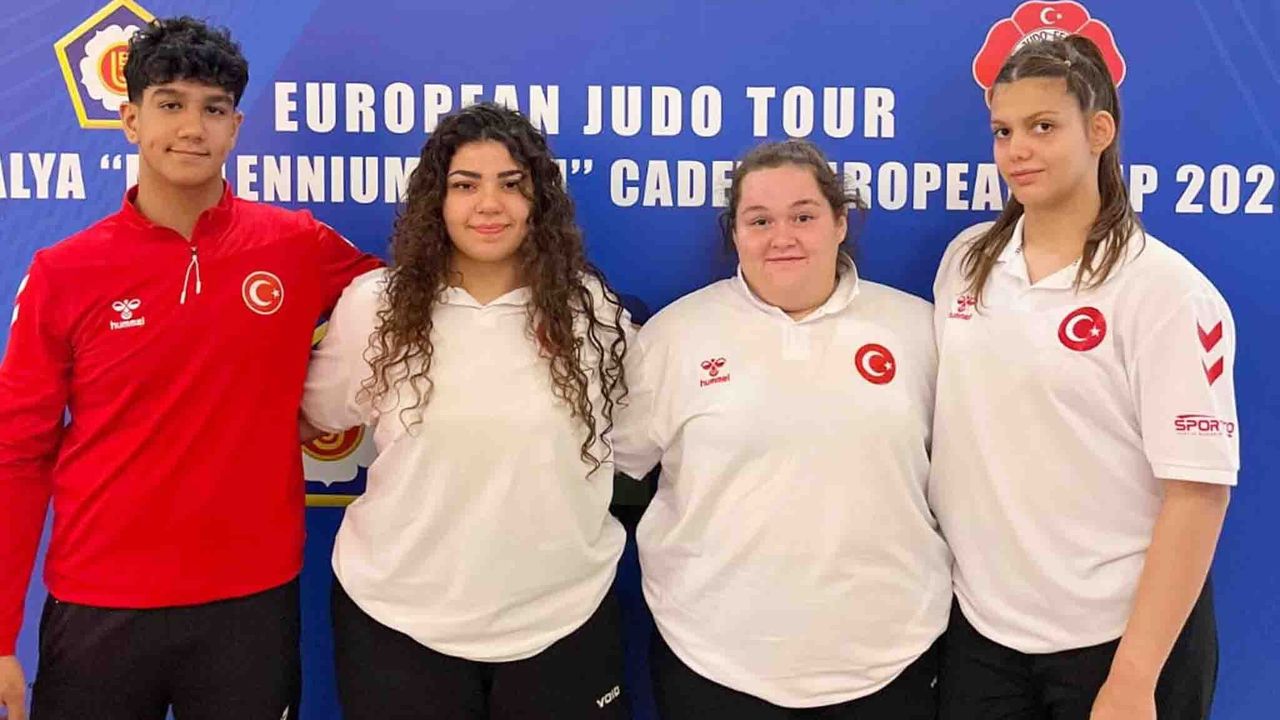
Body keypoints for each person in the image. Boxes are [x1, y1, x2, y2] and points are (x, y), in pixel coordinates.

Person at [0, 17, 381, 720]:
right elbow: (17, 455)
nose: (191, 128)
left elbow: (401, 304)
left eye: (212, 109)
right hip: (99, 605)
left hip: (250, 604)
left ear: (235, 128)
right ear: (130, 120)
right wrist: (0, 637)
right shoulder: (63, 272)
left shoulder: (296, 244)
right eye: (170, 104)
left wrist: (317, 400)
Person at [931, 35, 1236, 720]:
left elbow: (1198, 493)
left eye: (1043, 127)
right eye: (1004, 131)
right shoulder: (967, 261)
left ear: (1100, 131)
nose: (1018, 149)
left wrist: (1133, 678)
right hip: (984, 632)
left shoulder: (1166, 291)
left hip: (1120, 642)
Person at [301, 102, 631, 720]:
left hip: (563, 617)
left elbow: (634, 439)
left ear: (539, 200)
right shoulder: (376, 306)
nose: (489, 204)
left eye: (511, 184)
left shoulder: (592, 311)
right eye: (465, 185)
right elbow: (317, 414)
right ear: (437, 200)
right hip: (398, 619)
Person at [613, 138, 951, 719]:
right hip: (712, 662)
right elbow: (614, 469)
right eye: (760, 220)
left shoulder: (920, 331)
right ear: (735, 233)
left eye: (803, 216)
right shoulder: (674, 336)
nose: (782, 237)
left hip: (890, 660)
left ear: (840, 222)